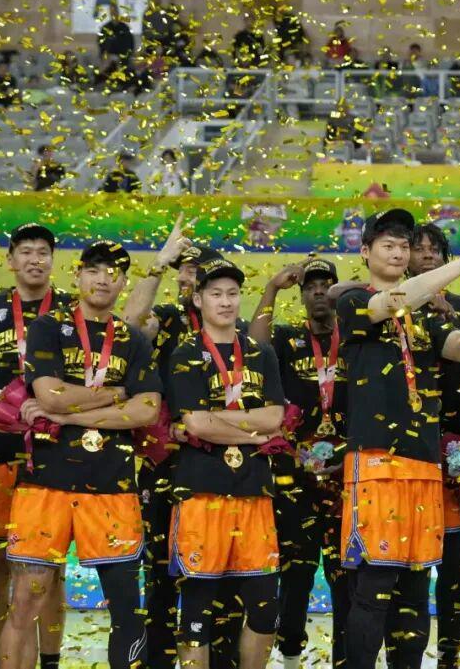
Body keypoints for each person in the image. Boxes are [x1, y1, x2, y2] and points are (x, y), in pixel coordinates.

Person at [336, 209, 460, 669]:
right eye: (387, 245)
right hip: (376, 464)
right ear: (365, 251)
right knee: (374, 586)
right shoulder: (353, 302)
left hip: (425, 465)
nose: (397, 252)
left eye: (403, 246)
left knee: (414, 587)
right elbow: (391, 302)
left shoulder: (423, 316)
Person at [2, 240, 160, 669]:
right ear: (77, 276)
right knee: (25, 602)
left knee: (127, 609)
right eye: (93, 269)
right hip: (45, 484)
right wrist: (116, 394)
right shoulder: (48, 327)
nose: (103, 279)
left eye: (113, 272)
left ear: (123, 283)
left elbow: (147, 409)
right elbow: (48, 394)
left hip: (113, 487)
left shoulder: (133, 339)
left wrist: (66, 414)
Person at [121, 220, 246, 669]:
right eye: (184, 271)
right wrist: (158, 264)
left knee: (224, 575)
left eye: (198, 271)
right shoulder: (167, 318)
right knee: (159, 574)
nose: (189, 278)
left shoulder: (239, 333)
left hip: (220, 466)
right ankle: (158, 660)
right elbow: (129, 324)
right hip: (165, 466)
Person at [381, 223, 460, 669]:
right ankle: (399, 652)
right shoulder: (386, 305)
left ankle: (448, 654)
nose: (427, 255)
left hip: (453, 451)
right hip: (402, 451)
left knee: (452, 566)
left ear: (447, 257)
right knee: (403, 563)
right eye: (418, 248)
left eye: (435, 249)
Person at [167, 257, 285, 669]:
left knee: (265, 609)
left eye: (232, 293)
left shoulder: (261, 353)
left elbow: (275, 417)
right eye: (215, 293)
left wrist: (220, 424)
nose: (225, 301)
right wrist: (254, 434)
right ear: (198, 299)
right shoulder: (185, 353)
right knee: (196, 611)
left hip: (254, 492)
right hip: (201, 492)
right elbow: (195, 424)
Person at [0, 224, 71, 669]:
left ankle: (50, 661)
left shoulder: (70, 311)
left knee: (50, 570)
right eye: (25, 251)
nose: (35, 259)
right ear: (10, 260)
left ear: (53, 260)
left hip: (52, 455)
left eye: (43, 251)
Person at [249, 257, 351, 669]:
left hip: (347, 475)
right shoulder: (288, 339)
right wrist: (272, 288)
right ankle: (290, 658)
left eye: (327, 285)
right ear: (302, 294)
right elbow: (254, 346)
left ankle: (346, 660)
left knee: (346, 577)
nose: (319, 291)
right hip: (295, 477)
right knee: (295, 576)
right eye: (311, 286)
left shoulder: (354, 339)